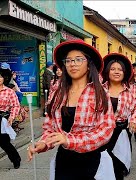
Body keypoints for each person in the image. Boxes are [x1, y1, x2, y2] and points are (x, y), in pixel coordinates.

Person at [27, 40, 115, 180]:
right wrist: (43, 143)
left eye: (78, 59)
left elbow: (106, 130)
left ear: (88, 64)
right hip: (64, 161)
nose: (72, 64)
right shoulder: (57, 91)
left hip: (93, 161)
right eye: (68, 60)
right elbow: (50, 127)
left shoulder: (99, 92)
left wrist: (70, 141)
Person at [101, 53, 136, 179]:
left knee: (118, 165)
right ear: (107, 71)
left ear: (124, 72)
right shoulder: (99, 90)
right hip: (101, 133)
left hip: (121, 132)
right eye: (113, 69)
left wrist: (134, 120)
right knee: (103, 166)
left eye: (120, 69)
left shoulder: (130, 91)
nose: (116, 72)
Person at [0, 66, 21, 169]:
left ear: (4, 78)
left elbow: (16, 105)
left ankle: (16, 158)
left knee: (4, 143)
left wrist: (12, 117)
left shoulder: (9, 91)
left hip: (3, 119)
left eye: (0, 77)